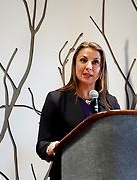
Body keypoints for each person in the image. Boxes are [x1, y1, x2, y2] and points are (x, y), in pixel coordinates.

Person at [36, 41, 120, 179]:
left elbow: (117, 143)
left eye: (95, 62)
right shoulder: (56, 99)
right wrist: (50, 147)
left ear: (101, 68)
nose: (89, 67)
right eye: (83, 60)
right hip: (66, 174)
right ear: (75, 64)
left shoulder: (111, 103)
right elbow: (41, 144)